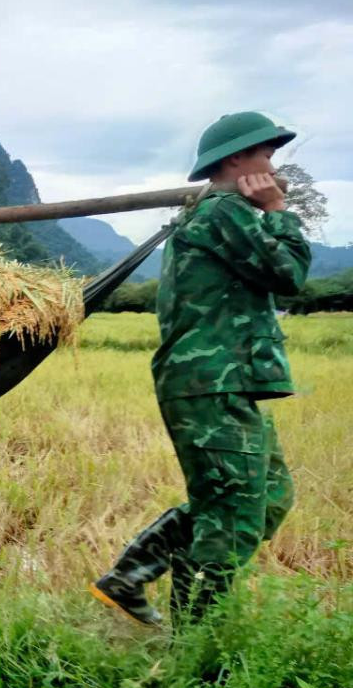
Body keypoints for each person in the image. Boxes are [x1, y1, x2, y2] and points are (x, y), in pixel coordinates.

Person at [91, 111, 311, 627]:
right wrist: (277, 209)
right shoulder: (223, 213)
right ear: (236, 159)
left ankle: (129, 576)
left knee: (268, 497)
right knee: (231, 514)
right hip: (211, 382)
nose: (273, 166)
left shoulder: (220, 213)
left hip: (224, 382)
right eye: (266, 154)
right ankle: (195, 642)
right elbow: (289, 274)